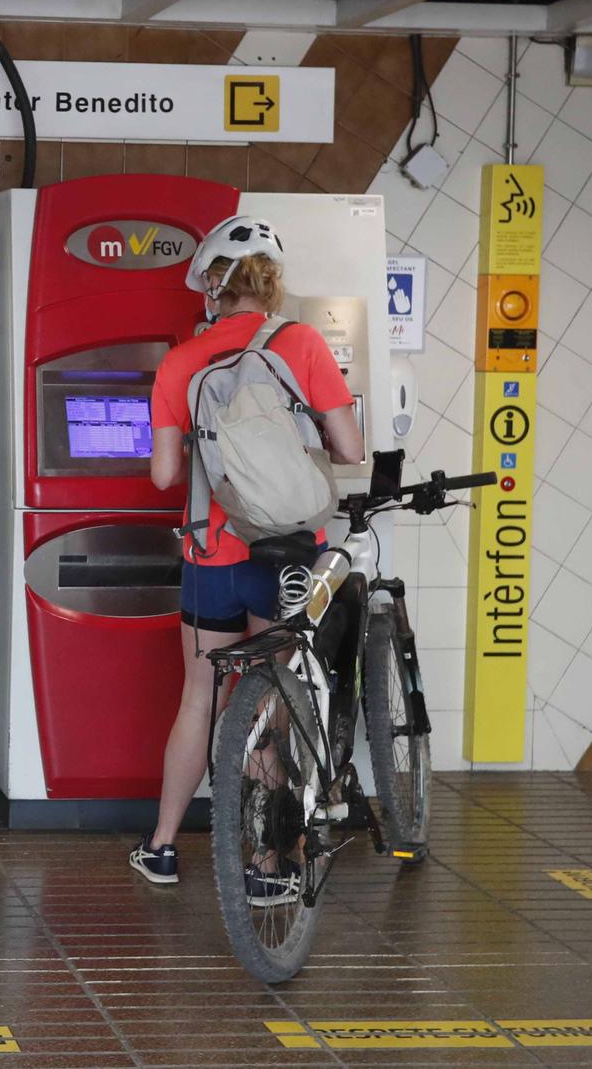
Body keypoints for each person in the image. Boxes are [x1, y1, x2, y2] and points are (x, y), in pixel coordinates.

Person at [128, 218, 364, 900]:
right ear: (271, 283)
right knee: (270, 700)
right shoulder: (303, 343)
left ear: (211, 287)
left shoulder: (182, 361)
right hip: (287, 554)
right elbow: (349, 449)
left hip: (212, 552)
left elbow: (166, 476)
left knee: (199, 695)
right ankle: (271, 866)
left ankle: (163, 846)